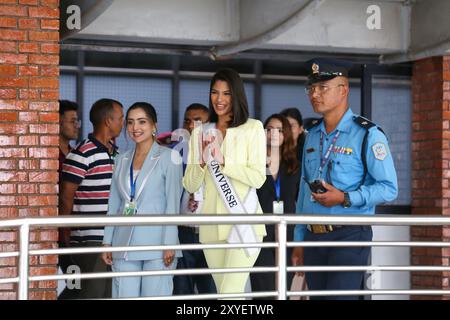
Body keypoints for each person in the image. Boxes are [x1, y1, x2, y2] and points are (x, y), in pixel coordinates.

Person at [291, 58, 398, 300]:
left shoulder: (368, 134)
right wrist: (298, 240)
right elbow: (303, 193)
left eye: (323, 88)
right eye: (311, 88)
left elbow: (389, 189)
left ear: (344, 90)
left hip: (349, 234)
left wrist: (345, 198)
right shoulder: (311, 135)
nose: (314, 94)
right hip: (313, 236)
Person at [183, 68, 267, 297]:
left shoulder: (253, 128)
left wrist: (223, 161)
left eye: (227, 93)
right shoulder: (200, 132)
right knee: (227, 293)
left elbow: (258, 178)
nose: (219, 99)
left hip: (244, 222)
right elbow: (190, 185)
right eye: (214, 92)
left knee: (229, 292)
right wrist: (201, 163)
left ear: (237, 95)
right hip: (211, 227)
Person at [101, 102, 183, 298]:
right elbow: (114, 203)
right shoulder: (121, 159)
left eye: (141, 122)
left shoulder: (170, 157)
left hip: (158, 245)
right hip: (124, 243)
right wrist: (107, 242)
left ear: (154, 125)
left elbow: (173, 204)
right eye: (130, 122)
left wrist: (169, 243)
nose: (135, 128)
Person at [59, 98, 124, 299]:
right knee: (88, 293)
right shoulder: (82, 154)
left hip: (112, 240)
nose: (123, 123)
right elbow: (65, 198)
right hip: (89, 241)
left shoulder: (117, 154)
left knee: (106, 294)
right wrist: (66, 233)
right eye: (121, 118)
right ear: (108, 121)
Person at [251, 114, 300, 298]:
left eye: (279, 130)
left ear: (286, 134)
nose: (273, 133)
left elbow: (300, 202)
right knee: (263, 288)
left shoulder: (295, 166)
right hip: (259, 233)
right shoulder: (254, 163)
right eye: (269, 129)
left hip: (287, 234)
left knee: (283, 289)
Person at [173, 103, 216, 296]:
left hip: (211, 233)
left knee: (211, 290)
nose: (191, 126)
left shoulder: (219, 153)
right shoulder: (175, 153)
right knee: (182, 290)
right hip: (183, 231)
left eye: (198, 121)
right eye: (187, 120)